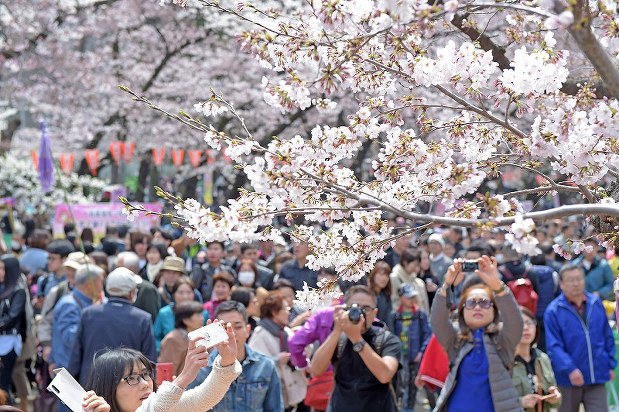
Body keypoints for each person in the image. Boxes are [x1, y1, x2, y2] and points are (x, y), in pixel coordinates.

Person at [431, 256, 523, 411]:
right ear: (462, 311)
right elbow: (437, 320)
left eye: (485, 302)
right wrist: (447, 284)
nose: (478, 307)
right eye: (471, 303)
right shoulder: (455, 339)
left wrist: (496, 285)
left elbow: (515, 321)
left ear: (494, 311)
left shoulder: (503, 339)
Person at [86, 324, 242, 412]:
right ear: (107, 387)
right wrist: (183, 378)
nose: (145, 384)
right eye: (132, 378)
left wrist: (227, 363)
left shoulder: (159, 405)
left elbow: (202, 399)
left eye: (146, 374)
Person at [311, 285, 401, 411]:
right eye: (355, 307)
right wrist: (337, 330)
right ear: (344, 309)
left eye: (366, 308)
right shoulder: (339, 339)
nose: (360, 313)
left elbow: (385, 375)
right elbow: (316, 370)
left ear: (375, 312)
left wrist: (357, 339)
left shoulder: (387, 340)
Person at [544, 264, 616, 412]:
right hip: (568, 379)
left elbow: (607, 335)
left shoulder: (595, 303)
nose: (576, 283)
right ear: (562, 284)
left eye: (578, 279)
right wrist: (570, 369)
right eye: (570, 280)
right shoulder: (554, 310)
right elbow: (554, 346)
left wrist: (610, 363)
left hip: (597, 374)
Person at [188, 301, 284, 411]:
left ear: (247, 330)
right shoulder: (202, 367)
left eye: (237, 327)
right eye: (224, 328)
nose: (231, 334)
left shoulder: (265, 365)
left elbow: (275, 408)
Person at [69, 267, 156, 385]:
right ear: (131, 292)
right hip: (128, 387)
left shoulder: (89, 313)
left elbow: (76, 355)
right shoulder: (142, 318)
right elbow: (149, 359)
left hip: (91, 384)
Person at [248, 293, 307, 410]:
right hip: (271, 388)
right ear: (274, 312)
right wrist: (276, 359)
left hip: (290, 385)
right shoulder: (260, 333)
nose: (289, 312)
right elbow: (254, 362)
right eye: (286, 309)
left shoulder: (285, 330)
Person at [51, 265, 105, 371]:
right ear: (90, 285)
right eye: (101, 281)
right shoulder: (70, 304)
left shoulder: (92, 302)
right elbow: (71, 338)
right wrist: (94, 314)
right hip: (71, 370)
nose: (103, 285)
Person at [389, 284, 431, 412]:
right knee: (400, 383)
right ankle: (400, 407)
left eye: (413, 296)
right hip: (400, 358)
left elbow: (427, 335)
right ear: (401, 297)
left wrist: (421, 352)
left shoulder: (420, 315)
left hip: (415, 357)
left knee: (414, 384)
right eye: (408, 297)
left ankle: (409, 408)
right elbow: (391, 336)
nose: (412, 299)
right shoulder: (394, 315)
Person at [512, 307, 561, 411]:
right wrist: (521, 402)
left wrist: (555, 397)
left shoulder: (543, 358)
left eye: (529, 323)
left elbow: (556, 403)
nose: (525, 328)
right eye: (520, 323)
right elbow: (496, 401)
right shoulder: (504, 361)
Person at [153, 277, 208, 353]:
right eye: (181, 292)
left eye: (189, 292)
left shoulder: (202, 313)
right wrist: (163, 349)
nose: (185, 296)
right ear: (174, 294)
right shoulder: (164, 313)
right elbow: (156, 337)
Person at [0, 255, 28, 399]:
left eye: (2, 268)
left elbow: (13, 316)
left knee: (4, 382)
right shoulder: (2, 287)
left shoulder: (18, 290)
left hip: (9, 340)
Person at [158, 301, 205, 376]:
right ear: (186, 320)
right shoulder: (172, 339)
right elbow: (166, 370)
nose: (202, 318)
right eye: (198, 315)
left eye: (201, 315)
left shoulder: (201, 335)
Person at [115, 251, 161, 322]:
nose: (116, 271)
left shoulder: (147, 289)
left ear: (131, 268)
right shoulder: (115, 286)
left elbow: (152, 318)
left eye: (119, 268)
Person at [390, 248, 430, 313]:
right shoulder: (394, 277)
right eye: (415, 264)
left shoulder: (418, 282)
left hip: (419, 319)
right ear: (405, 262)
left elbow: (425, 307)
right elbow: (394, 302)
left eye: (418, 265)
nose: (416, 267)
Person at [368, 260, 393, 325]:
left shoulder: (386, 295)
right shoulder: (367, 295)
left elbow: (389, 320)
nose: (384, 278)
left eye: (387, 275)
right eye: (381, 274)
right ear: (373, 275)